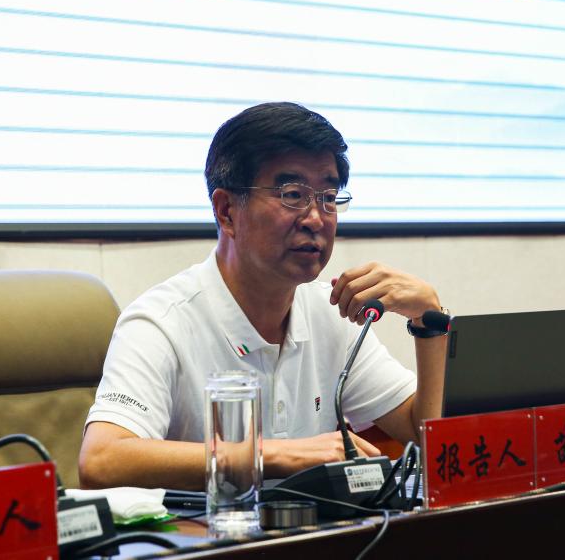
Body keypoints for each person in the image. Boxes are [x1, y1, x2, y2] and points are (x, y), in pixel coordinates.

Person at [79, 102, 448, 490]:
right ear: (227, 211)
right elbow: (101, 461)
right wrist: (273, 455)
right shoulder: (162, 322)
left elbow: (425, 437)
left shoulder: (329, 314)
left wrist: (429, 321)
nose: (315, 218)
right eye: (293, 194)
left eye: (328, 196)